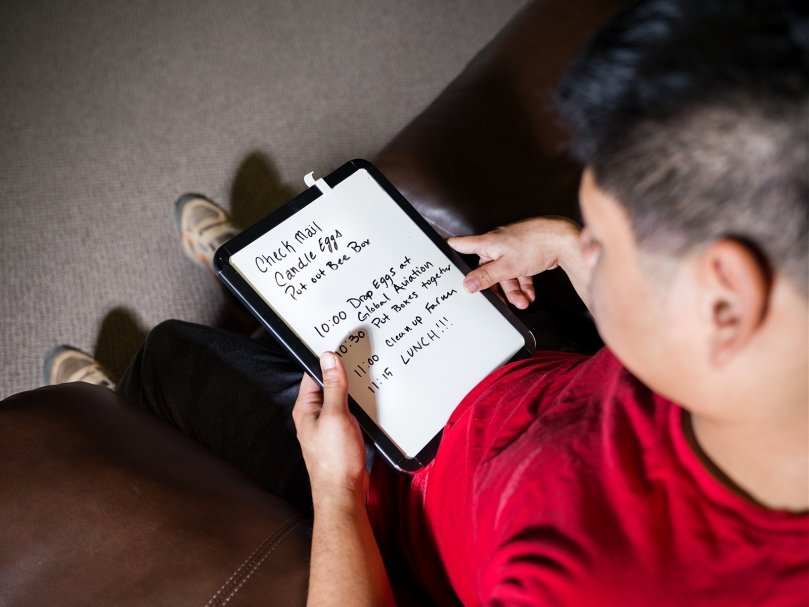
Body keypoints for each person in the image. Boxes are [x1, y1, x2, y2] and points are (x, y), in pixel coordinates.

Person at [46, 0, 808, 604]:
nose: (585, 248)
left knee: (179, 358)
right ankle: (267, 262)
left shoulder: (591, 586)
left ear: (722, 305)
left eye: (604, 243)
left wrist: (337, 490)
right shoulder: (762, 369)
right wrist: (567, 250)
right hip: (514, 372)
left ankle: (127, 413)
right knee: (325, 286)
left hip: (395, 491)